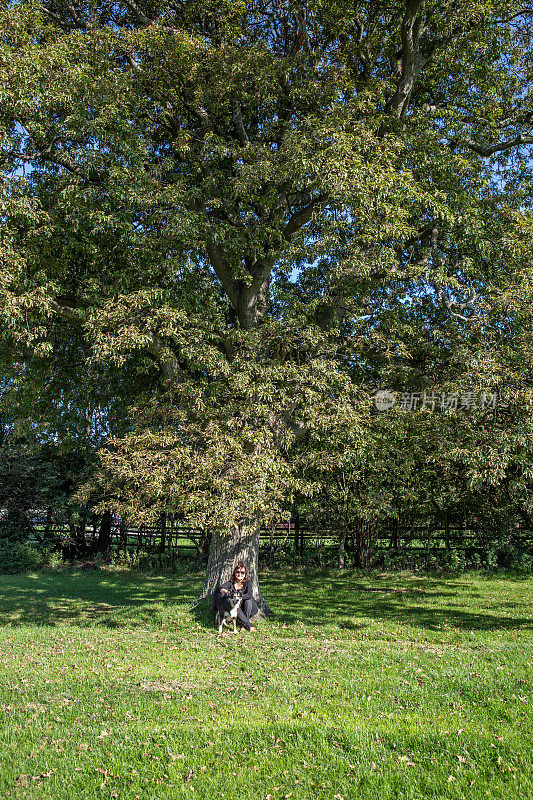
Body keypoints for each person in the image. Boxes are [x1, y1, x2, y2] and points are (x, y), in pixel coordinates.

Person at [215, 564, 259, 632]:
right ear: (234, 573)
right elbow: (220, 587)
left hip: (250, 607)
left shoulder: (248, 582)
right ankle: (247, 625)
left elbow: (249, 595)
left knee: (248, 600)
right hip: (237, 607)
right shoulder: (231, 583)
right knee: (234, 606)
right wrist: (223, 590)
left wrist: (238, 597)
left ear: (245, 574)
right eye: (238, 572)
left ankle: (244, 623)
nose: (240, 574)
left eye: (242, 572)